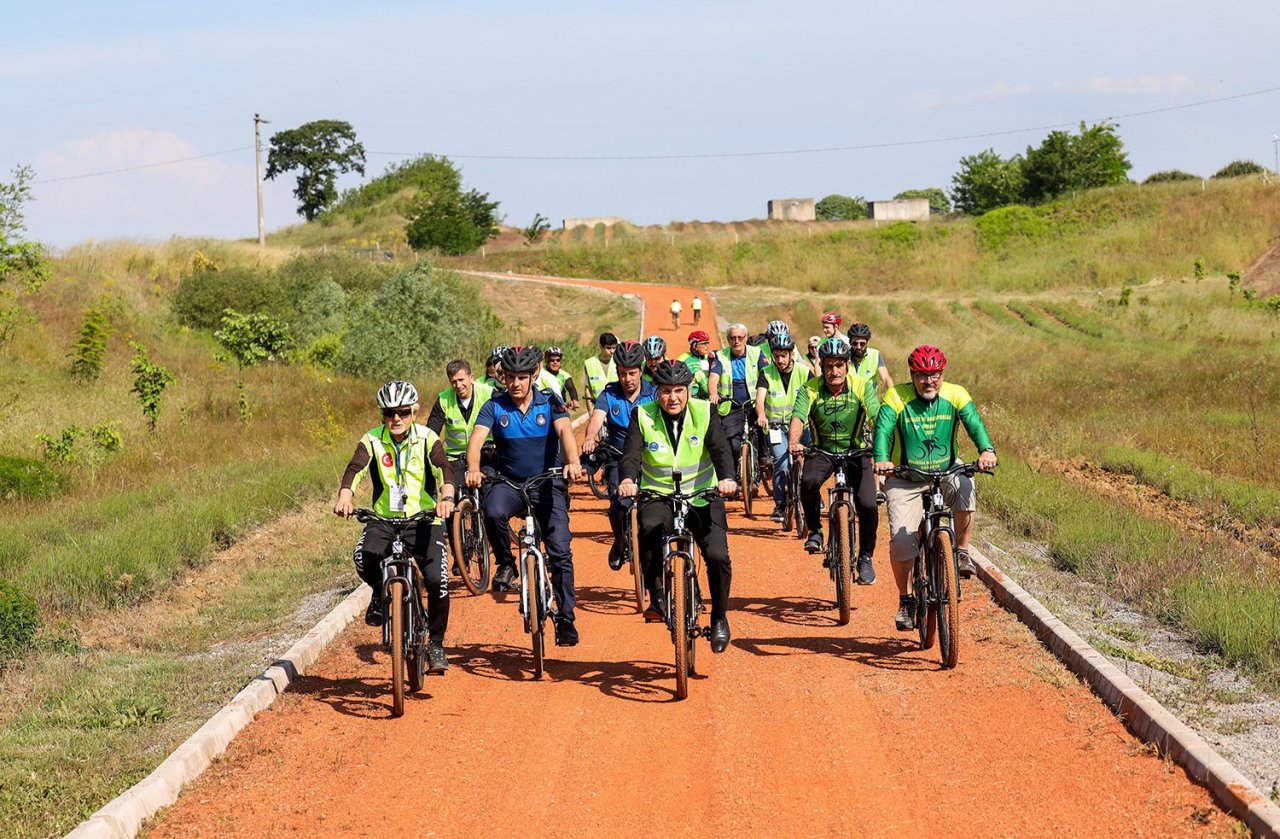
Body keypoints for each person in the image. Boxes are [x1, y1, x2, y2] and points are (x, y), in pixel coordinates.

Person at [465, 346, 586, 646]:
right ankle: (506, 562)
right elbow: (477, 439)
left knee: (560, 552)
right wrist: (473, 469)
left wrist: (572, 462)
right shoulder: (494, 406)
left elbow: (566, 434)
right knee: (492, 512)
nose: (516, 384)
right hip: (510, 483)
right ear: (503, 377)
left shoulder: (551, 403)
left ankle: (567, 618)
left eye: (522, 377)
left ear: (534, 376)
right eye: (510, 377)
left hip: (546, 483)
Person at [873, 345, 998, 632]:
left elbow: (974, 423)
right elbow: (883, 429)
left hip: (945, 469)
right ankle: (906, 600)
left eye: (935, 375)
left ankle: (963, 552)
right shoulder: (896, 397)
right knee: (902, 542)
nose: (929, 381)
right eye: (922, 376)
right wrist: (881, 459)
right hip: (905, 476)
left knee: (965, 482)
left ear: (942, 374)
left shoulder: (956, 394)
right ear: (912, 375)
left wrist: (986, 450)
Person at [335, 380, 456, 674]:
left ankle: (436, 644)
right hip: (384, 520)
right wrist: (345, 495)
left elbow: (443, 467)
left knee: (437, 582)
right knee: (364, 557)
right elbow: (356, 467)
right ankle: (380, 593)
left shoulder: (427, 438)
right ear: (382, 415)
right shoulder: (373, 440)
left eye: (402, 412)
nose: (396, 419)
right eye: (390, 414)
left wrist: (448, 496)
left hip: (425, 519)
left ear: (413, 411)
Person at [618, 360, 738, 653]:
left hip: (701, 495)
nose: (673, 398)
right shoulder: (642, 415)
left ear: (688, 390)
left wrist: (727, 478)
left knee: (717, 555)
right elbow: (631, 454)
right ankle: (657, 594)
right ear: (656, 392)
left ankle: (720, 617)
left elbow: (720, 449)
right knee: (647, 527)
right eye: (666, 391)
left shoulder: (704, 412)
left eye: (679, 391)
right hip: (659, 496)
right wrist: (627, 480)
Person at [789, 338, 880, 584]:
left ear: (847, 365)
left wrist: (880, 446)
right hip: (822, 451)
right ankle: (816, 531)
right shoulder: (810, 388)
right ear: (822, 365)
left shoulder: (862, 386)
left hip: (856, 452)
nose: (834, 371)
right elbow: (798, 416)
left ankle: (865, 557)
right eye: (829, 365)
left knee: (869, 505)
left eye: (839, 365)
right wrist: (794, 442)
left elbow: (875, 415)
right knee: (807, 482)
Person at [581, 340, 656, 569]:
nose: (627, 379)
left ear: (640, 371)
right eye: (622, 373)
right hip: (617, 458)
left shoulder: (653, 391)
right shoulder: (609, 393)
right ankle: (620, 540)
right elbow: (596, 418)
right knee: (616, 505)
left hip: (649, 458)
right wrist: (589, 438)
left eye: (632, 373)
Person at [755, 331, 809, 524]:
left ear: (791, 354)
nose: (780, 359)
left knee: (809, 463)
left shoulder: (804, 372)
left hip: (802, 426)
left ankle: (811, 498)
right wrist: (761, 415)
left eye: (783, 355)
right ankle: (780, 504)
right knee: (782, 462)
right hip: (776, 427)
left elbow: (815, 396)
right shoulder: (766, 373)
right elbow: (760, 398)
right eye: (776, 355)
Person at [712, 322, 771, 482]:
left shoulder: (756, 353)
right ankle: (736, 475)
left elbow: (766, 374)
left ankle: (763, 458)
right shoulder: (720, 356)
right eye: (733, 338)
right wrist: (713, 394)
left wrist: (762, 398)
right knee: (732, 443)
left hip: (754, 401)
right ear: (728, 339)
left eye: (740, 337)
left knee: (762, 427)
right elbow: (713, 377)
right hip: (731, 405)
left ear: (746, 338)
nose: (736, 341)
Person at [426, 358, 495, 481]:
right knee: (455, 492)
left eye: (461, 380)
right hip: (456, 458)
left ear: (471, 378)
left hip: (486, 454)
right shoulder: (443, 399)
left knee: (490, 488)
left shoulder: (489, 394)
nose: (458, 385)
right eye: (453, 382)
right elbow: (431, 432)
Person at [848, 323, 893, 393]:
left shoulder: (875, 354)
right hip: (849, 399)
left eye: (862, 344)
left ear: (867, 343)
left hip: (869, 400)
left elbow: (885, 377)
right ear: (850, 342)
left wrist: (893, 394)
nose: (858, 347)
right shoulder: (844, 356)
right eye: (855, 343)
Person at [677, 329, 722, 399]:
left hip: (709, 399)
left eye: (708, 343)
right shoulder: (683, 358)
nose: (707, 346)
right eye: (704, 343)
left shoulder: (710, 358)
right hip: (691, 398)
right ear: (694, 346)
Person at [583, 332, 619, 410]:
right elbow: (587, 390)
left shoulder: (618, 362)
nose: (612, 351)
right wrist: (590, 412)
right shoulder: (589, 364)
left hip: (617, 406)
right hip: (598, 407)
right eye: (608, 348)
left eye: (614, 348)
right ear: (601, 347)